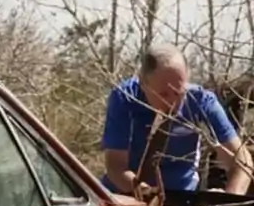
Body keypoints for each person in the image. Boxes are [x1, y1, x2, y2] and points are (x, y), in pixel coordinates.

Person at [100, 44, 252, 197]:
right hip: (124, 197)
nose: (172, 102)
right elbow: (116, 166)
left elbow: (242, 162)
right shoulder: (125, 98)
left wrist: (230, 198)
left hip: (181, 199)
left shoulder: (200, 101)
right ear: (143, 83)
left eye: (178, 93)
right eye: (163, 94)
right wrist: (146, 193)